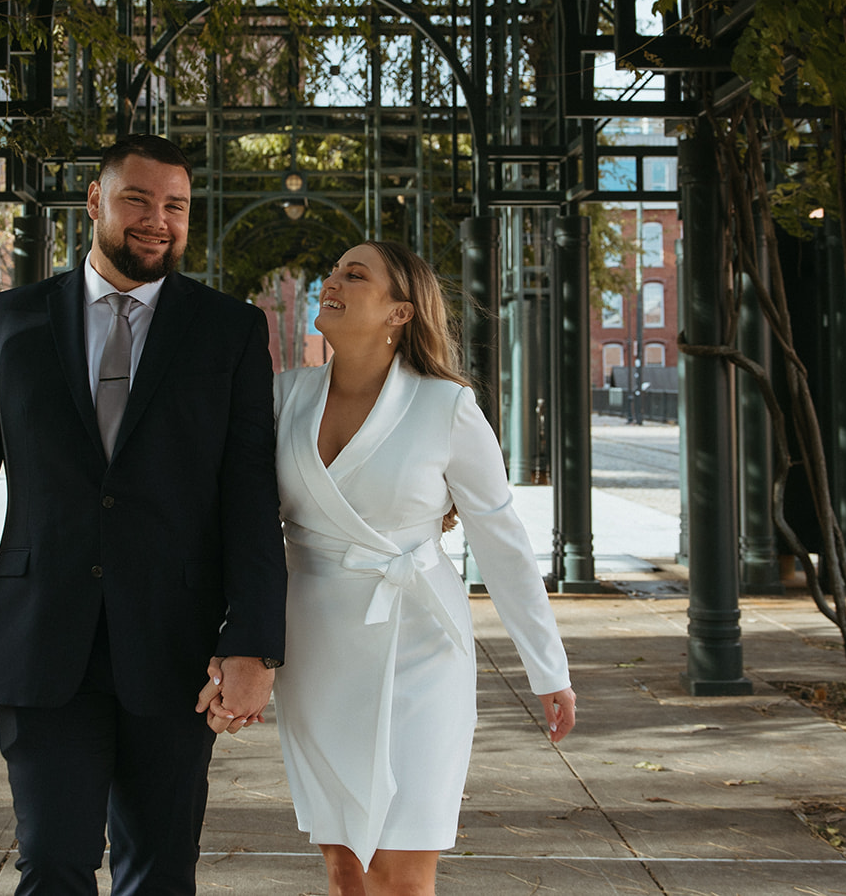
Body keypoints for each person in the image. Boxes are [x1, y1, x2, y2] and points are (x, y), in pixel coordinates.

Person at [0, 134, 287, 896]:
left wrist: (255, 645)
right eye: (138, 199)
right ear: (95, 202)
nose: (157, 220)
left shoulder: (228, 332)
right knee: (53, 866)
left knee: (160, 873)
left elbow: (249, 497)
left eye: (175, 206)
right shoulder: (12, 322)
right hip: (42, 643)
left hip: (173, 645)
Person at [200, 240, 575, 895]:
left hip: (421, 647)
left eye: (355, 273)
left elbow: (503, 540)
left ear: (400, 311)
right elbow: (235, 522)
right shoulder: (282, 396)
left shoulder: (446, 406)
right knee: (347, 872)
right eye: (333, 270)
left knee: (401, 875)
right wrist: (236, 648)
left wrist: (548, 668)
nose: (332, 281)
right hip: (315, 648)